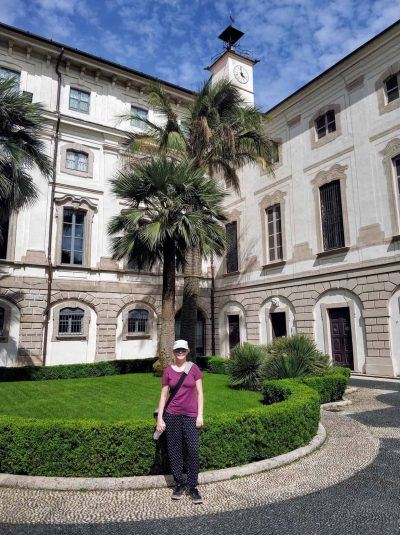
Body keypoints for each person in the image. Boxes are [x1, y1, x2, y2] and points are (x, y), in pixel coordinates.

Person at [156, 339, 204, 503]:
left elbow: (200, 393)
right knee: (174, 450)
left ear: (188, 350)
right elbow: (164, 395)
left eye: (183, 350)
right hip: (172, 414)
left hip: (191, 414)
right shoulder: (168, 371)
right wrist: (160, 418)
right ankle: (179, 483)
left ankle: (192, 486)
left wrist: (200, 415)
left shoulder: (194, 369)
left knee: (193, 449)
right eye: (178, 350)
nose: (180, 353)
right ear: (173, 352)